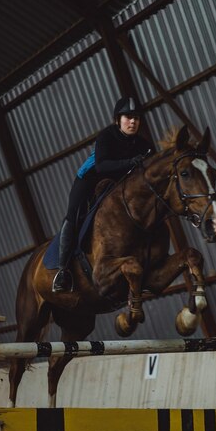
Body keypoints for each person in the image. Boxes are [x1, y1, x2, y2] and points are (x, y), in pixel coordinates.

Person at [52, 96, 153, 293]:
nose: (133, 122)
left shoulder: (143, 144)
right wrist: (131, 161)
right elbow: (102, 165)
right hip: (89, 179)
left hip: (116, 185)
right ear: (118, 120)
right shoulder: (107, 136)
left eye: (137, 118)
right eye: (128, 117)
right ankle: (62, 271)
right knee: (73, 215)